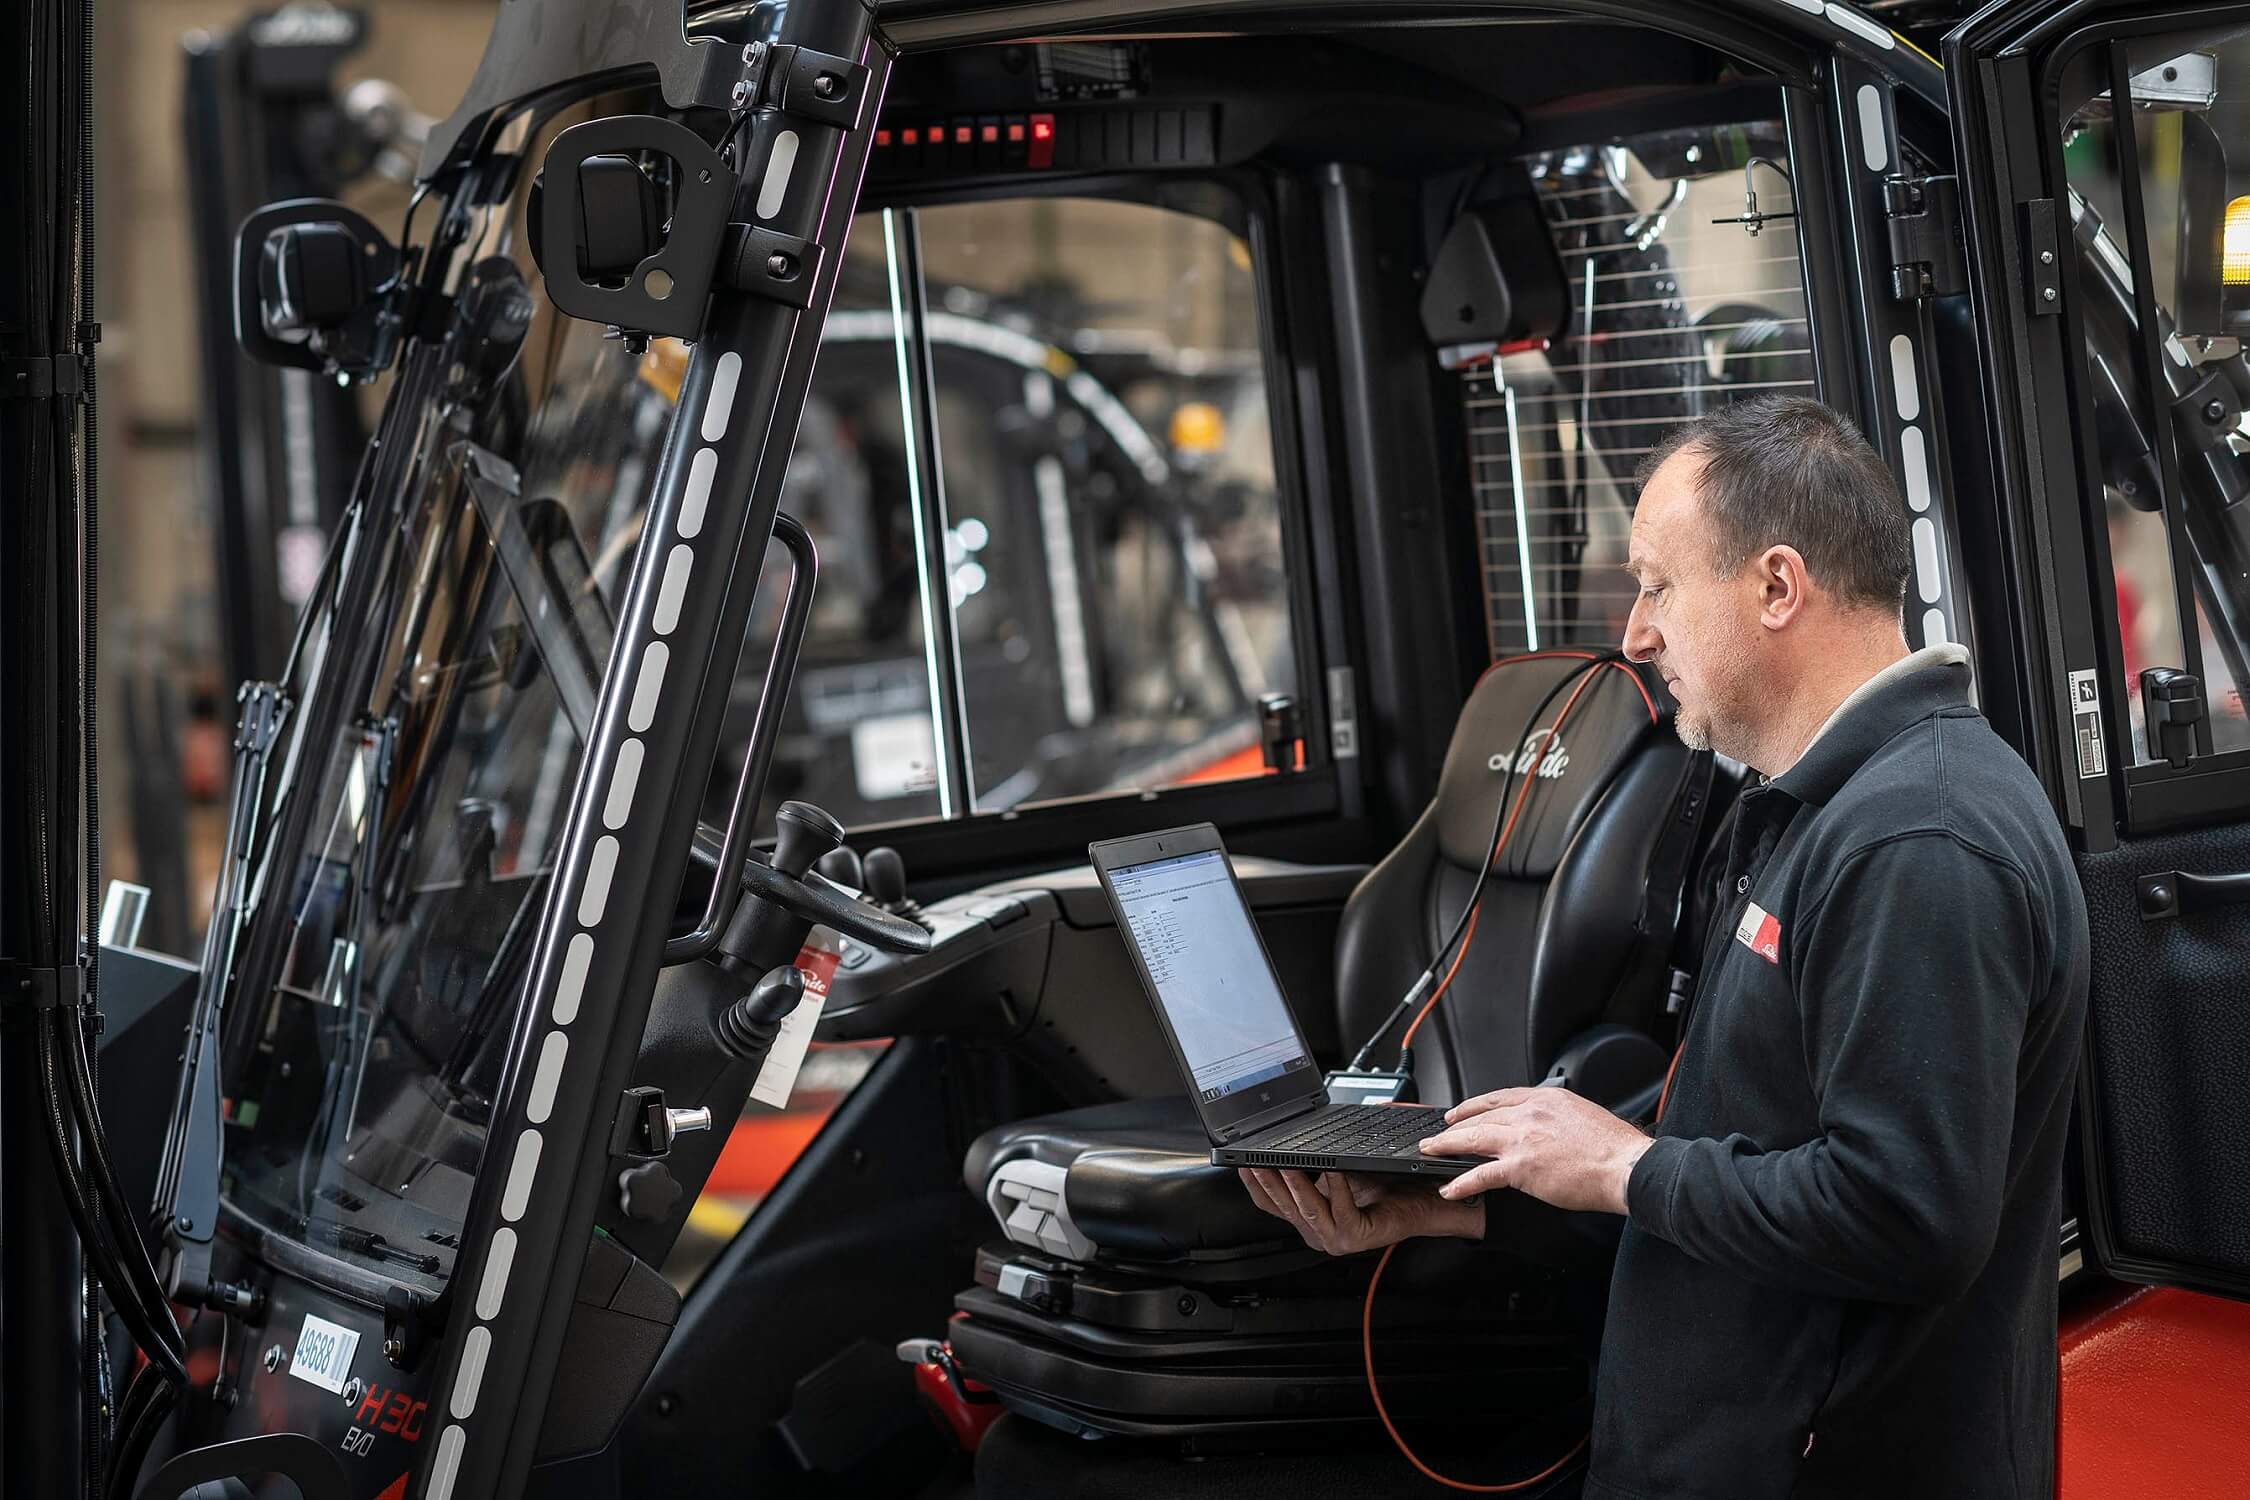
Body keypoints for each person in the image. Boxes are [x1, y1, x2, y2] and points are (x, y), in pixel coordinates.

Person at [1240, 394, 2089, 1499]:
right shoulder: (1818, 808)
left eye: (1658, 585)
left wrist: (1622, 1165)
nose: (1635, 635)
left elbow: (1906, 1214)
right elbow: (1747, 1150)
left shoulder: (1919, 840)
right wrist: (1491, 1203)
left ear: (1777, 586)